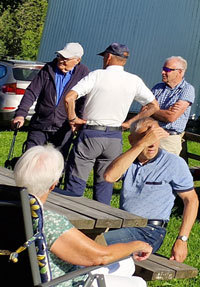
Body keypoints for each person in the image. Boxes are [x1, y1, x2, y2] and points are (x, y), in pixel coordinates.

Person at [14, 145, 162, 287]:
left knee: (126, 264)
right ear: (53, 184)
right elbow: (100, 257)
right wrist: (137, 245)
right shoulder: (48, 222)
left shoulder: (9, 214)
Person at [62, 43, 156, 204]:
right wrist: (130, 122)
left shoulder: (97, 75)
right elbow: (154, 106)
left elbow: (69, 97)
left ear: (109, 57)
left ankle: (70, 214)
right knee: (106, 181)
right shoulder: (134, 80)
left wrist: (73, 118)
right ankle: (101, 218)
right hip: (114, 137)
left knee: (76, 181)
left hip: (91, 134)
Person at [102, 119, 198, 262]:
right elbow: (109, 176)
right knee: (79, 241)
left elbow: (191, 200)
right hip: (122, 224)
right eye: (147, 138)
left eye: (155, 137)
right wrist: (141, 144)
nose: (152, 144)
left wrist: (182, 239)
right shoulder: (129, 160)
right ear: (132, 140)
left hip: (149, 231)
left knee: (96, 245)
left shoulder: (173, 163)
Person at [12, 42, 90, 156]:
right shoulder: (48, 68)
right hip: (40, 123)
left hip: (64, 127)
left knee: (58, 163)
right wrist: (20, 114)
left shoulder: (83, 73)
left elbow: (83, 101)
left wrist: (78, 120)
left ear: (77, 60)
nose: (61, 60)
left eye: (66, 59)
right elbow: (32, 92)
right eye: (60, 56)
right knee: (30, 158)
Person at [128, 56, 196, 155]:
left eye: (167, 70)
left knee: (164, 164)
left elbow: (171, 117)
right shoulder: (157, 88)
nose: (162, 72)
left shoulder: (187, 89)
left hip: (168, 138)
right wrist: (163, 111)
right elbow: (143, 111)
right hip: (149, 135)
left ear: (180, 72)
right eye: (163, 69)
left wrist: (152, 109)